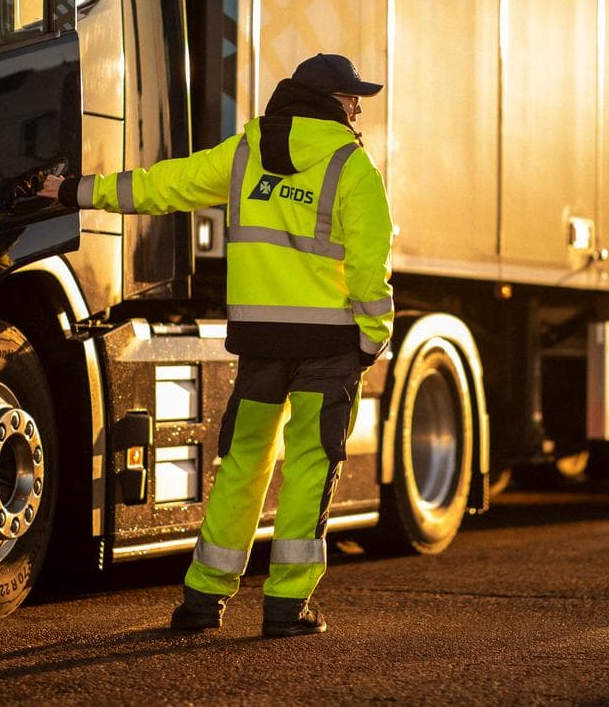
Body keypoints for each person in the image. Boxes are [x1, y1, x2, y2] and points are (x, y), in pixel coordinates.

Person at [40, 53, 394, 637]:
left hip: (261, 342)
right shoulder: (351, 167)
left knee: (243, 465)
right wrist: (374, 336)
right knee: (309, 465)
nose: (358, 107)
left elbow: (164, 186)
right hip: (329, 345)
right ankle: (286, 608)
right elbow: (367, 265)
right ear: (332, 101)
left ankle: (202, 601)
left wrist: (75, 190)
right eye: (353, 97)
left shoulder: (246, 152)